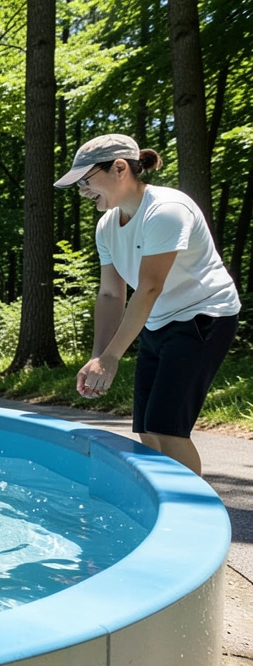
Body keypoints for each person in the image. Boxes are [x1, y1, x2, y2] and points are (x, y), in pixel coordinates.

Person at [58, 134, 240, 476]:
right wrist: (98, 357)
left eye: (86, 180)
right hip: (156, 321)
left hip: (203, 315)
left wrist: (112, 358)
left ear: (119, 168)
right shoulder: (107, 226)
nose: (81, 190)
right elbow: (112, 294)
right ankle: (165, 506)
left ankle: (192, 517)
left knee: (168, 427)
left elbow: (149, 287)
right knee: (145, 427)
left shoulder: (167, 210)